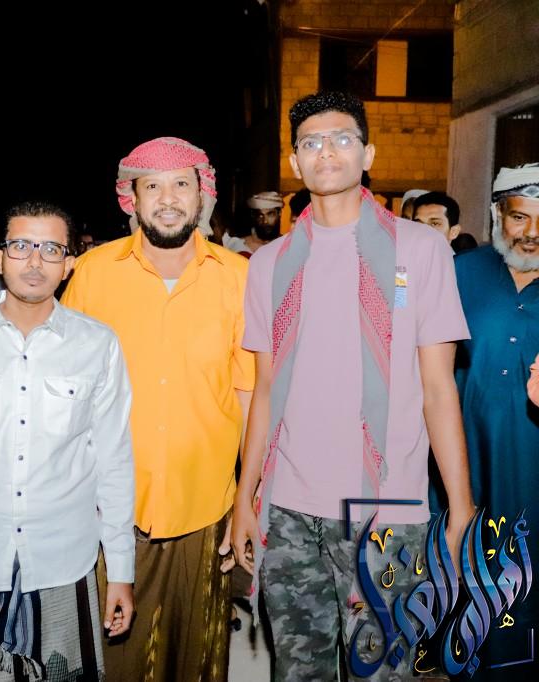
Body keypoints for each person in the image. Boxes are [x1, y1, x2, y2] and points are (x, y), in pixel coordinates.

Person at [231, 91, 474, 681]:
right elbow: (265, 390)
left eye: (342, 139)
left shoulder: (420, 250)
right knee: (297, 671)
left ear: (367, 154)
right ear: (296, 162)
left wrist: (461, 509)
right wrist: (244, 496)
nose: (327, 152)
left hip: (388, 511)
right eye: (311, 142)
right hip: (288, 510)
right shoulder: (269, 263)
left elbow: (439, 389)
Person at [61, 137, 255, 681]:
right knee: (117, 663)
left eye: (180, 185)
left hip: (207, 509)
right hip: (110, 512)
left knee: (197, 663)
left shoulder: (238, 277)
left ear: (202, 194)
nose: (168, 199)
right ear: (133, 198)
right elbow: (51, 364)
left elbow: (248, 395)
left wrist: (248, 499)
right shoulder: (94, 273)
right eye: (153, 186)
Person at [0, 201, 135, 679]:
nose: (35, 261)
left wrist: (121, 571)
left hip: (64, 563)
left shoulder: (98, 344)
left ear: (69, 264)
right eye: (21, 246)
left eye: (51, 249)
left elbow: (114, 461)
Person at [444, 163, 539, 678]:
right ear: (498, 214)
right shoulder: (462, 273)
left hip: (533, 462)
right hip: (468, 460)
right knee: (473, 572)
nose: (533, 233)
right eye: (520, 217)